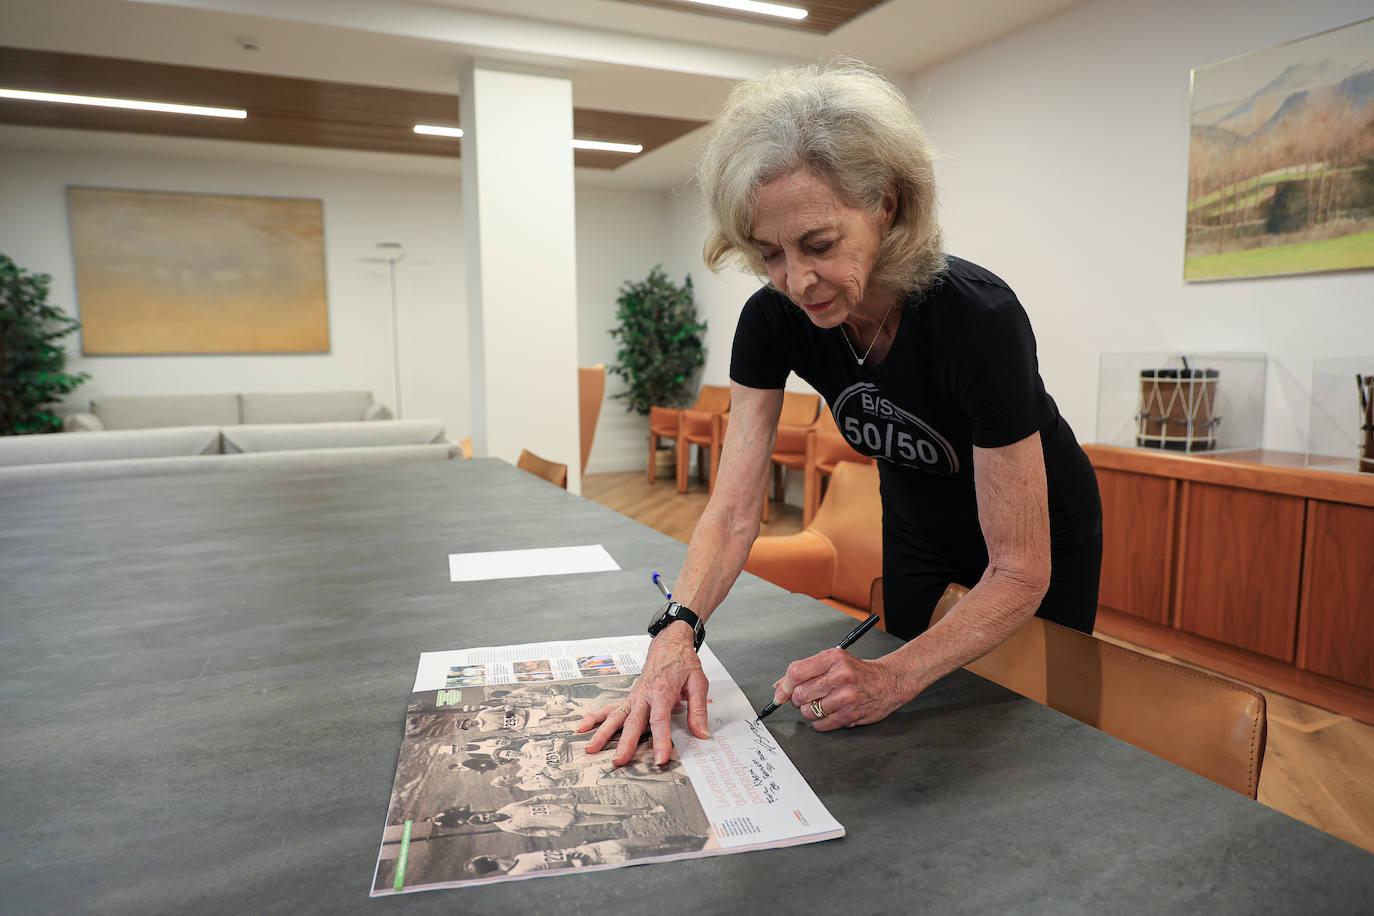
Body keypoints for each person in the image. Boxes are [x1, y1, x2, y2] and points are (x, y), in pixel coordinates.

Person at [577, 59, 1103, 766]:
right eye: (771, 254)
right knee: (907, 736)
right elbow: (734, 510)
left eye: (819, 245)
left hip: (1036, 537)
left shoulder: (980, 319)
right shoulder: (773, 321)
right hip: (916, 525)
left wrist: (893, 675)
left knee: (1027, 735)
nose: (798, 281)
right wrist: (677, 631)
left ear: (886, 205)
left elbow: (1018, 571)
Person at [430, 794, 665, 838]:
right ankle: (639, 817)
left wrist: (559, 795)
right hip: (566, 822)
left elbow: (536, 800)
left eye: (483, 815)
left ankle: (648, 810)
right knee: (612, 819)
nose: (487, 817)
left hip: (571, 808)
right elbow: (534, 832)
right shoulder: (508, 828)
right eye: (483, 821)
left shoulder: (509, 807)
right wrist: (554, 831)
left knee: (610, 809)